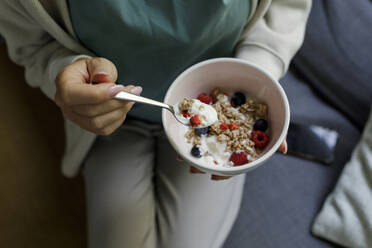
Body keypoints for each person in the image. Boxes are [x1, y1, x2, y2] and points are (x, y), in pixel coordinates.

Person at [0, 0, 311, 247]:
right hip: (116, 124)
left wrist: (257, 73)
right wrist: (67, 74)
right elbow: (33, 42)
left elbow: (285, 8)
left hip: (221, 111)